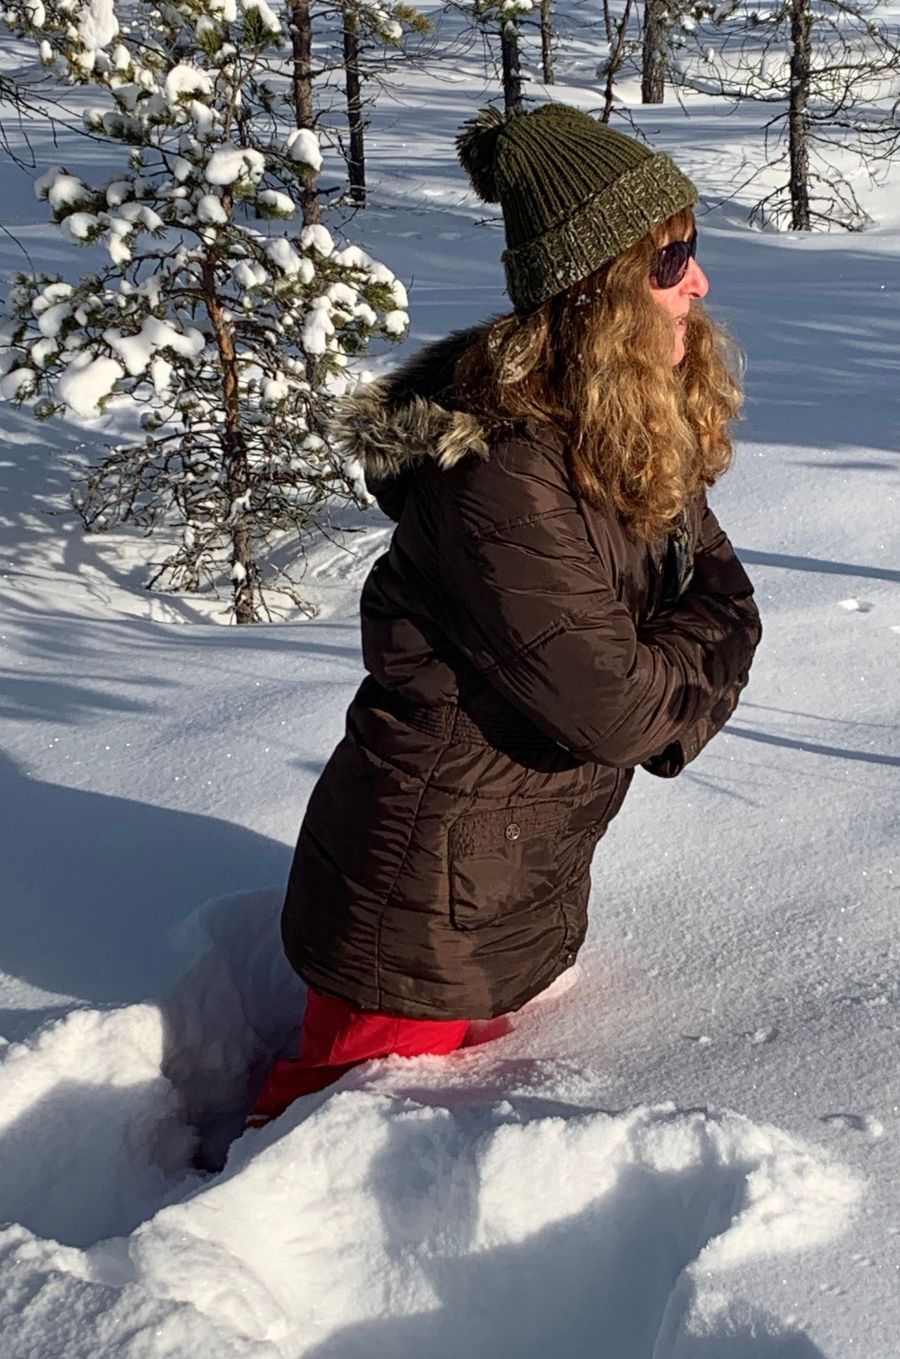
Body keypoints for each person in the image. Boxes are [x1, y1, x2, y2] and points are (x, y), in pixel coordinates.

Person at [247, 103, 761, 1126]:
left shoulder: (609, 429)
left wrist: (675, 658)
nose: (697, 281)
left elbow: (725, 594)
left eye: (690, 251)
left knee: (412, 1157)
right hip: (419, 909)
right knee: (313, 1160)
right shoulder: (505, 476)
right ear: (599, 290)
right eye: (670, 260)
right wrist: (686, 667)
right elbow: (612, 705)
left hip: (501, 884)